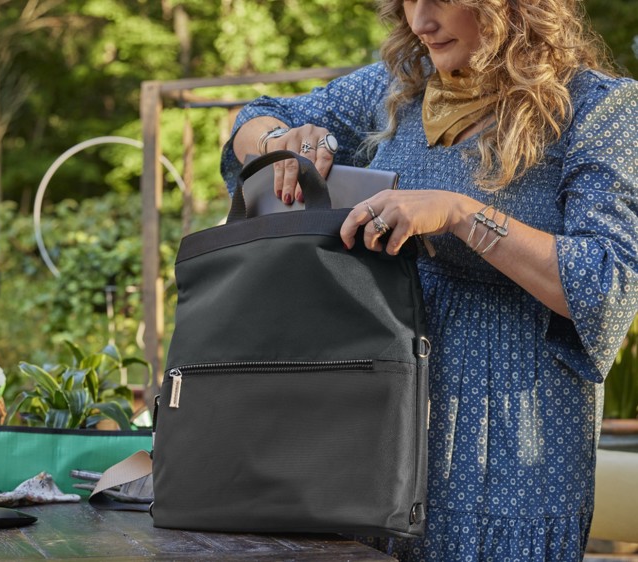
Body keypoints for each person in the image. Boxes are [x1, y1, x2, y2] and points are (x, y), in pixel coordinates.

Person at [220, 0, 638, 560]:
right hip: (377, 422)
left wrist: (460, 214)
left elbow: (608, 285)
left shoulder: (597, 107)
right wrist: (280, 143)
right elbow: (256, 116)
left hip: (510, 437)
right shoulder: (400, 85)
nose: (420, 22)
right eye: (409, 1)